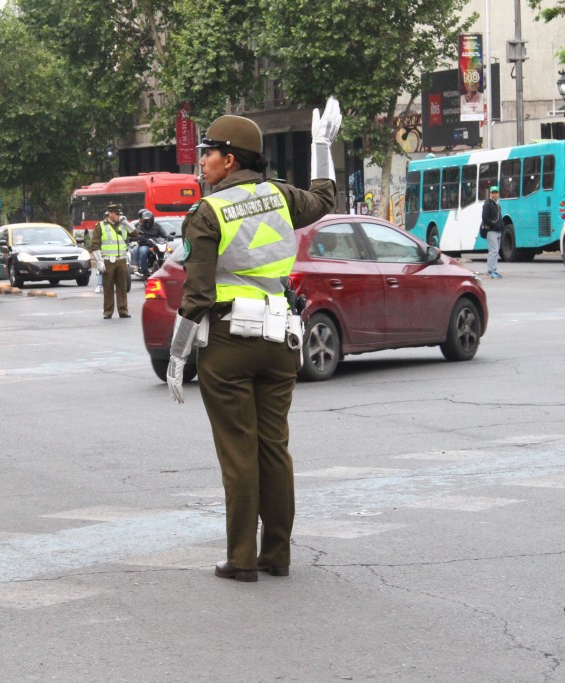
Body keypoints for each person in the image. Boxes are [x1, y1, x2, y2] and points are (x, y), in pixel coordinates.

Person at [167, 98, 342, 583]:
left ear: (230, 159)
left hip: (228, 344)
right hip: (281, 340)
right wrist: (321, 146)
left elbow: (198, 294)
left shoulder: (206, 213)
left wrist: (177, 356)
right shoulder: (281, 197)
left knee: (239, 452)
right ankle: (277, 555)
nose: (201, 162)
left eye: (207, 154)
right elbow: (325, 200)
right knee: (274, 449)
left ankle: (242, 558)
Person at [90, 203, 135, 318]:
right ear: (110, 214)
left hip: (121, 260)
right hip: (108, 261)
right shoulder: (100, 226)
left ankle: (123, 311)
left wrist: (126, 223)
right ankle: (108, 312)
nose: (118, 216)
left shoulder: (123, 225)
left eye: (119, 214)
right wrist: (99, 261)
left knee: (122, 287)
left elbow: (135, 233)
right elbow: (94, 245)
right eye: (116, 214)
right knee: (108, 287)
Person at [134, 209, 169, 277]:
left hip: (155, 244)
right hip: (145, 244)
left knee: (167, 251)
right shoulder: (140, 226)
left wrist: (168, 237)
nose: (147, 222)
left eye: (149, 220)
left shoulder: (157, 225)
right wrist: (141, 238)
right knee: (143, 251)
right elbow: (138, 234)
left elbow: (163, 234)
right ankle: (145, 271)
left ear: (152, 219)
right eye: (146, 221)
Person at [481, 185, 504, 278]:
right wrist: (493, 225)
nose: (495, 194)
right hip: (491, 231)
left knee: (496, 251)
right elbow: (484, 217)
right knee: (493, 251)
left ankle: (494, 270)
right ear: (490, 194)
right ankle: (490, 271)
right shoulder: (487, 204)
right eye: (493, 192)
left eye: (496, 192)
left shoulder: (497, 205)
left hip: (498, 231)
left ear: (498, 194)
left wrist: (501, 225)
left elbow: (498, 217)